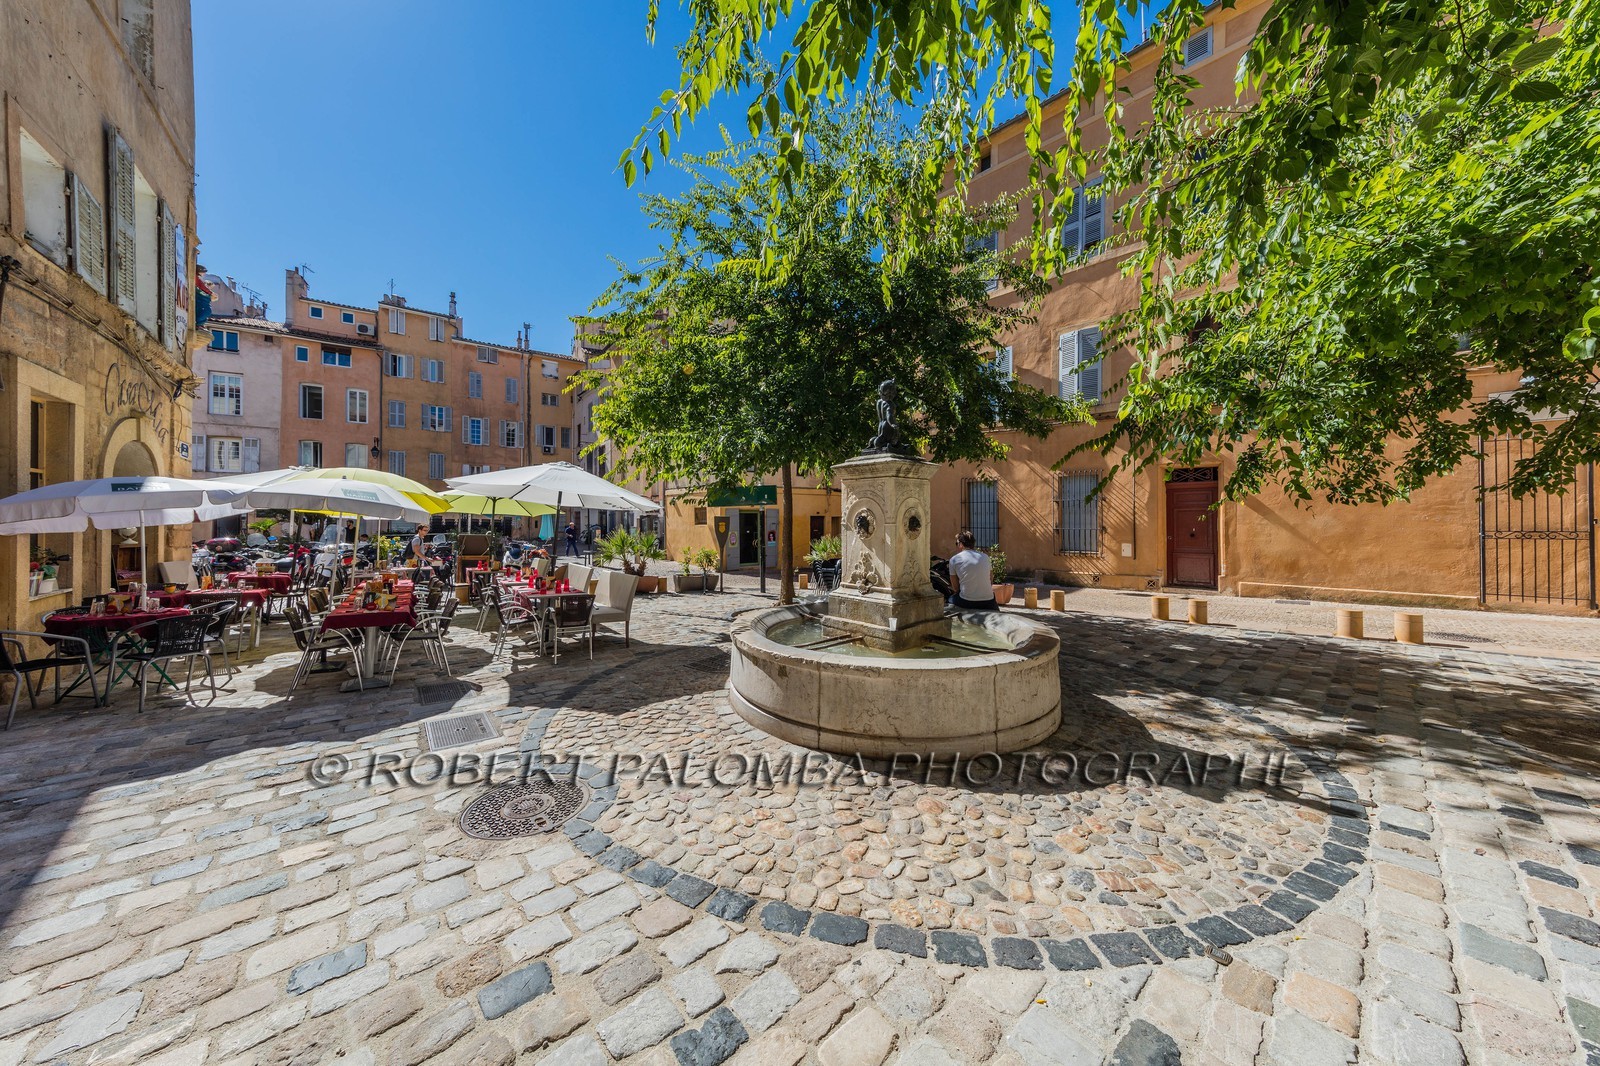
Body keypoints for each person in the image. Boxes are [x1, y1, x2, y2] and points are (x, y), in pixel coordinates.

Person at [947, 530, 998, 610]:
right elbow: (990, 580)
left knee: (949, 599)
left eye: (956, 544)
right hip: (989, 601)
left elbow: (956, 588)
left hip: (968, 601)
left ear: (960, 544)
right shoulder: (985, 557)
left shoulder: (954, 560)